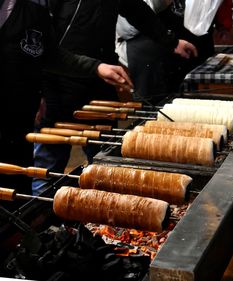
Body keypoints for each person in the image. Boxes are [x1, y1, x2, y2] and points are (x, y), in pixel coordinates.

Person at [32, 0, 198, 195]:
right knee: (48, 167)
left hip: (100, 79)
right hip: (56, 85)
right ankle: (39, 220)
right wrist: (38, 91)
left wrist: (172, 42)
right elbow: (40, 44)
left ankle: (97, 216)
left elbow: (137, 10)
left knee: (103, 161)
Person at [0, 0, 133, 205]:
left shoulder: (37, 6)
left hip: (20, 120)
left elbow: (49, 54)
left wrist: (97, 68)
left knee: (17, 198)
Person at [116, 0, 233, 103]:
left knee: (201, 106)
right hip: (150, 50)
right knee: (158, 114)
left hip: (194, 42)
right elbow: (129, 26)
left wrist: (223, 23)